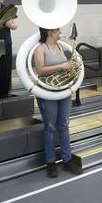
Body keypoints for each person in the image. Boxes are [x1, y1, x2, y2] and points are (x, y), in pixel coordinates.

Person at [32, 27, 83, 178]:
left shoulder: (60, 46)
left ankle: (67, 160)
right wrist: (62, 66)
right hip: (47, 92)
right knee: (49, 127)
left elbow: (64, 70)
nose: (60, 33)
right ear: (50, 33)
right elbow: (40, 70)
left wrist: (72, 75)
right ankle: (50, 163)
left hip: (62, 91)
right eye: (58, 31)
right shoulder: (40, 49)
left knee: (64, 125)